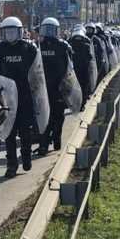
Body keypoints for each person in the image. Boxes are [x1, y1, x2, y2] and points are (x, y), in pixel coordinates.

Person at [0, 17, 40, 177]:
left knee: (25, 132)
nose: (11, 35)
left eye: (14, 31)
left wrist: (37, 93)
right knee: (9, 133)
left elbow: (37, 72)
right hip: (7, 98)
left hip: (25, 97)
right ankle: (11, 164)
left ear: (20, 32)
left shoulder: (29, 48)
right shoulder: (0, 49)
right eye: (8, 31)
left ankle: (26, 156)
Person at [36, 17, 73, 155]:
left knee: (58, 116)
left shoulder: (64, 46)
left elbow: (70, 68)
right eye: (46, 29)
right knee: (44, 117)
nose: (49, 33)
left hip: (59, 88)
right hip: (42, 88)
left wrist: (67, 86)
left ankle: (57, 136)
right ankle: (44, 144)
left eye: (52, 30)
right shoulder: (38, 45)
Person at [68, 25, 95, 102]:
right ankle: (82, 101)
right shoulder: (86, 43)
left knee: (75, 86)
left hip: (74, 69)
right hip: (83, 69)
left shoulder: (70, 42)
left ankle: (77, 101)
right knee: (84, 85)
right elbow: (90, 57)